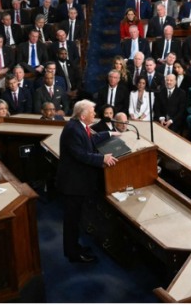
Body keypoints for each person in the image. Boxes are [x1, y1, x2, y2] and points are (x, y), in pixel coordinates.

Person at [56, 100, 119, 263]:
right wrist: (102, 158)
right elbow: (81, 154)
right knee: (72, 221)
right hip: (73, 184)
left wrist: (110, 134)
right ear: (83, 115)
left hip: (78, 183)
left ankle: (75, 247)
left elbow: (91, 140)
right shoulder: (72, 130)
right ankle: (73, 254)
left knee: (76, 219)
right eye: (92, 112)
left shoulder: (79, 126)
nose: (95, 114)